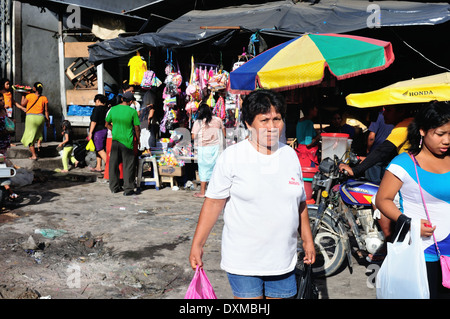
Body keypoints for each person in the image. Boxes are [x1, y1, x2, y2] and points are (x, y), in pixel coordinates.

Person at [189, 89, 316, 299]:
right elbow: (213, 204)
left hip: (283, 260)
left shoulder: (290, 156)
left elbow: (299, 202)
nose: (272, 127)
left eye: (277, 119)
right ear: (248, 124)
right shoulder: (232, 157)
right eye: (264, 120)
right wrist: (198, 244)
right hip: (243, 261)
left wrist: (308, 241)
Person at [375, 101, 450, 299]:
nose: (447, 141)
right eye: (440, 134)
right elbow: (383, 199)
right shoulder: (404, 163)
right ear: (423, 131)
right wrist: (409, 223)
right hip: (422, 251)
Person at [105, 91, 140, 196]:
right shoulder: (132, 111)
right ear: (130, 101)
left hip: (115, 141)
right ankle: (128, 189)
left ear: (122, 99)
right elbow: (137, 128)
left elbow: (106, 124)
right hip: (127, 142)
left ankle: (114, 187)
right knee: (128, 165)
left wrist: (114, 129)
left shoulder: (113, 109)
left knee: (113, 164)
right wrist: (138, 140)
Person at [191, 103, 225, 198]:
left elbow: (193, 136)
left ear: (200, 112)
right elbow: (224, 133)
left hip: (203, 148)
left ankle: (203, 192)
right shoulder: (218, 120)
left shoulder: (198, 122)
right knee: (216, 169)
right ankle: (216, 191)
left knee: (203, 170)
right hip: (216, 148)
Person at [15, 82, 50, 160]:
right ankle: (39, 144)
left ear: (34, 88)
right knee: (39, 133)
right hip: (40, 118)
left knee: (29, 137)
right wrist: (47, 121)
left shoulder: (29, 96)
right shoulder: (44, 98)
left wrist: (23, 94)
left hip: (31, 117)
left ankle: (34, 155)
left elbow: (22, 104)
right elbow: (46, 111)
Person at [0, 93, 18, 199]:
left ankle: (9, 190)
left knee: (3, 165)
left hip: (4, 144)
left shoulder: (4, 111)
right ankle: (9, 191)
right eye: (1, 100)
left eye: (3, 100)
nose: (3, 102)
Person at [88, 94, 109, 172]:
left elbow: (94, 121)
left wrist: (90, 132)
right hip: (105, 130)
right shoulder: (107, 109)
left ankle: (110, 167)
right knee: (100, 149)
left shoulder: (97, 109)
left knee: (100, 149)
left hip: (98, 131)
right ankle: (98, 166)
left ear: (97, 101)